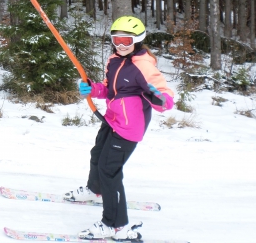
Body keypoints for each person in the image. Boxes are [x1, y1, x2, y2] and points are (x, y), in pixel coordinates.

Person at [63, 15, 174, 240]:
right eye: (117, 40)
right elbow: (108, 89)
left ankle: (116, 225)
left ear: (138, 40)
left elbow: (165, 97)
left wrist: (160, 98)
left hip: (129, 128)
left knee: (109, 170)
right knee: (97, 154)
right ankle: (95, 190)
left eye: (126, 41)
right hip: (112, 119)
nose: (121, 45)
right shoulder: (114, 60)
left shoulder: (142, 65)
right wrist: (93, 90)